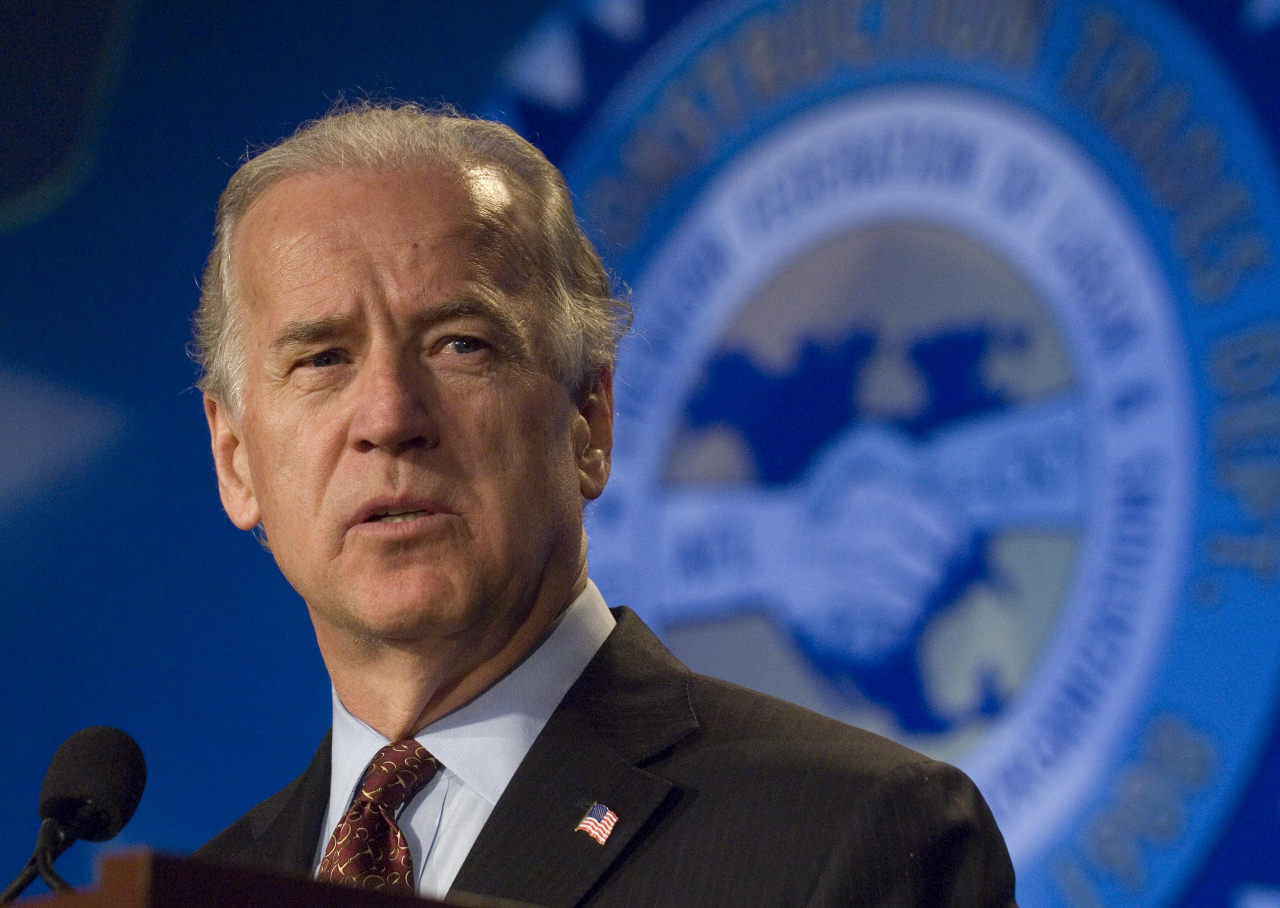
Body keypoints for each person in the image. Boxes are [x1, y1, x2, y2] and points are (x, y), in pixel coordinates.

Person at [192, 101, 1018, 908]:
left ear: (590, 419)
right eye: (323, 359)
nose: (389, 418)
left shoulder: (853, 836)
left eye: (460, 346)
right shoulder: (205, 887)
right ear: (236, 460)